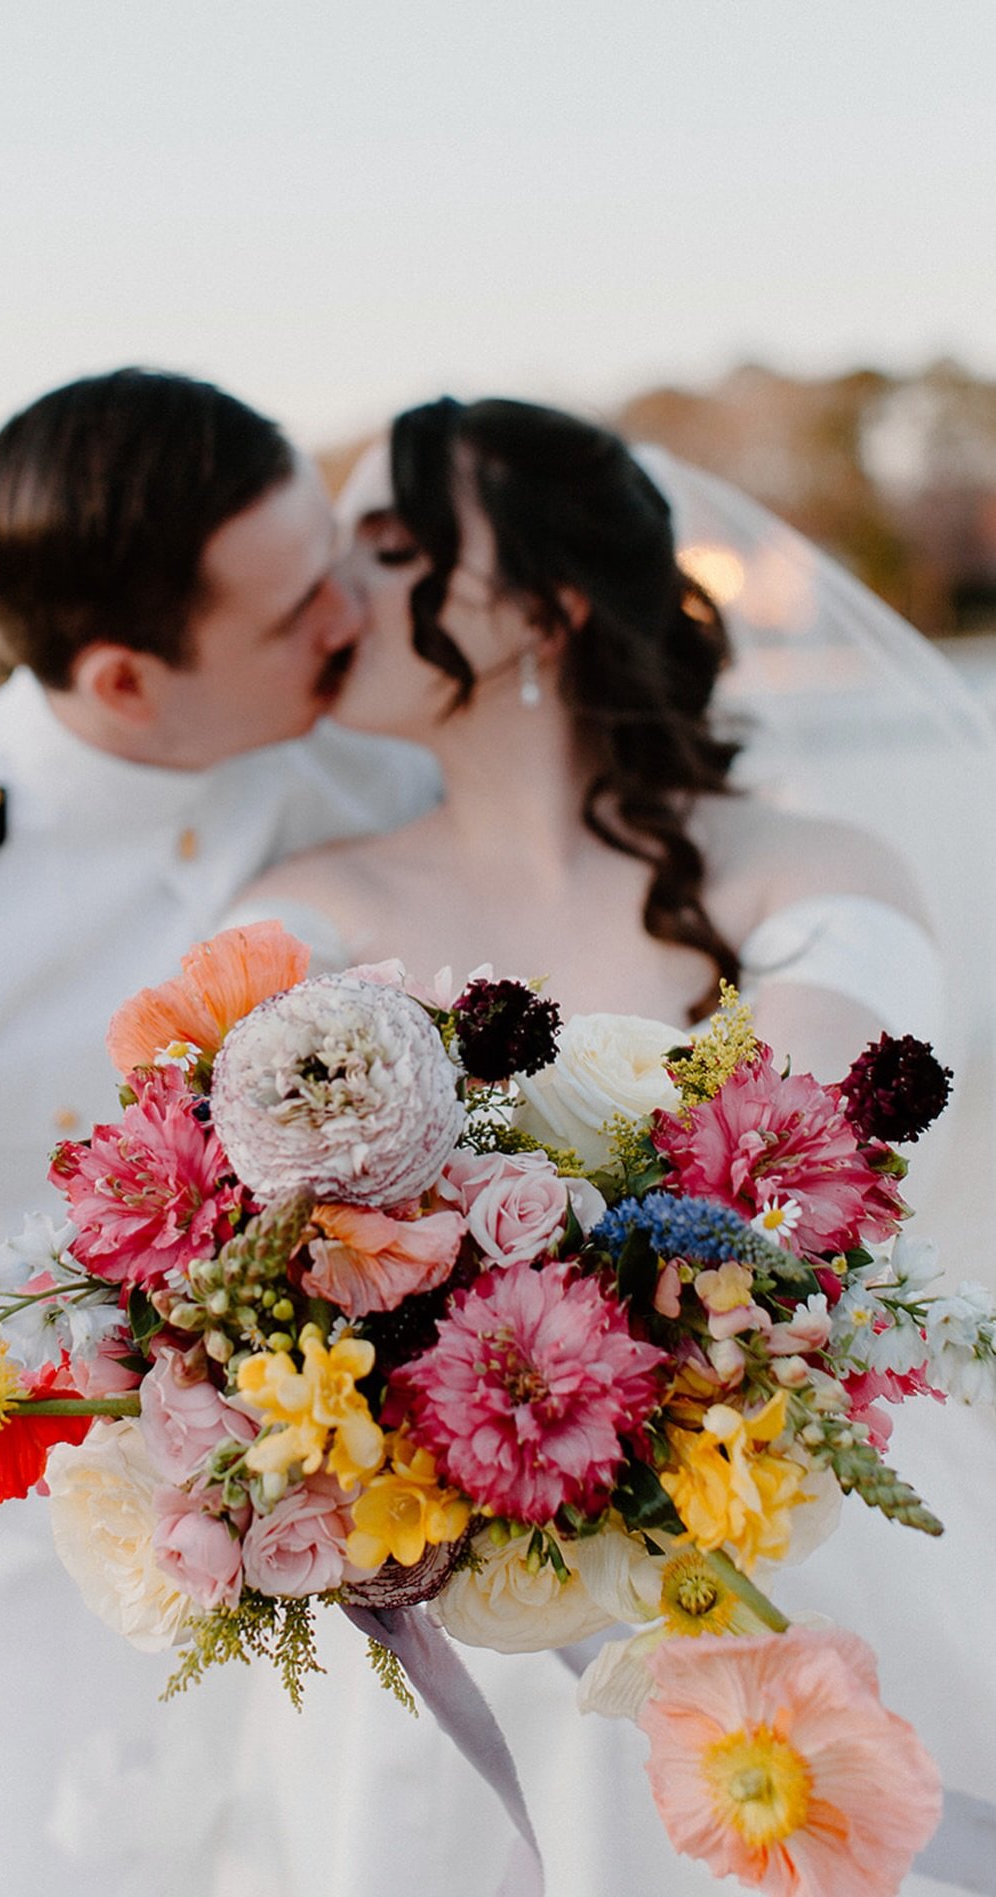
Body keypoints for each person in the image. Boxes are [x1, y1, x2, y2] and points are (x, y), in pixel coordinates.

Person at [229, 396, 996, 1894]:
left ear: (546, 607)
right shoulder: (299, 908)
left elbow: (790, 1186)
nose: (340, 595)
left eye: (392, 547)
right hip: (426, 1597)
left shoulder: (816, 872)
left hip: (783, 1529)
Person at [0, 367, 439, 1897]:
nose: (352, 613)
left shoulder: (387, 777)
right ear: (124, 680)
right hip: (52, 1665)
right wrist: (180, 1449)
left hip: (395, 1628)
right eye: (294, 602)